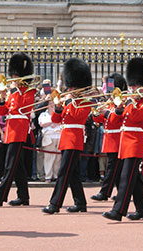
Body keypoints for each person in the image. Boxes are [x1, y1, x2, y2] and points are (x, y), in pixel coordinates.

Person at [102, 57, 143, 221]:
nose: (132, 88)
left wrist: (129, 104)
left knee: (126, 177)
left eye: (135, 85)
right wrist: (118, 109)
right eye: (131, 85)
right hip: (125, 143)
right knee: (135, 179)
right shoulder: (129, 102)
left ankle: (118, 211)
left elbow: (136, 117)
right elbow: (114, 121)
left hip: (136, 143)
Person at [0, 52, 36, 207]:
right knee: (17, 165)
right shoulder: (12, 92)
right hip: (10, 130)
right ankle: (23, 197)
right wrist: (2, 97)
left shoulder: (29, 91)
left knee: (9, 165)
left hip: (19, 130)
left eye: (15, 75)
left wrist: (12, 92)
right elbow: (4, 111)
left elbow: (23, 108)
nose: (13, 78)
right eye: (12, 75)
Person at [42, 58, 92, 214]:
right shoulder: (67, 101)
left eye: (72, 87)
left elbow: (78, 116)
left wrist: (70, 102)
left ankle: (55, 204)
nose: (70, 89)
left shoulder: (84, 101)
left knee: (63, 172)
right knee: (73, 174)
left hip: (74, 139)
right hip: (66, 138)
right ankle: (80, 203)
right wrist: (58, 107)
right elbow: (55, 120)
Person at [91, 73, 127, 201]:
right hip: (110, 138)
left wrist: (106, 113)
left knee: (112, 168)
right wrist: (96, 113)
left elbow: (115, 119)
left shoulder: (121, 103)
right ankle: (121, 193)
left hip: (117, 139)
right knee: (117, 169)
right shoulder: (111, 102)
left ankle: (105, 192)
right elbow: (101, 119)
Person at [38, 100, 61, 182]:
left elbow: (62, 122)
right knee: (48, 157)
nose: (52, 106)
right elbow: (42, 124)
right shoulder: (43, 114)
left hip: (59, 136)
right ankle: (48, 176)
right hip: (48, 137)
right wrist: (53, 121)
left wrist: (54, 122)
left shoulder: (59, 112)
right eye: (50, 104)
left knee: (58, 157)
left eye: (53, 104)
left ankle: (56, 175)